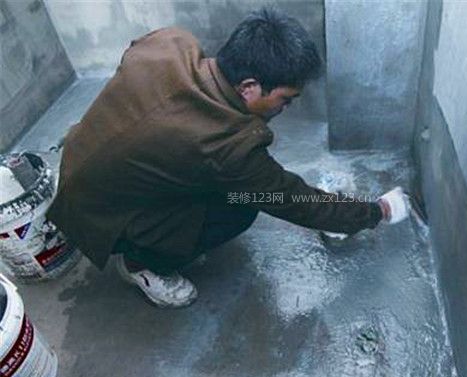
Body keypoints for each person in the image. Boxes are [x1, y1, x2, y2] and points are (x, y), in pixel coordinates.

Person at [47, 8, 409, 308]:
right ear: (249, 87)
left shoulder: (170, 42)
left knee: (230, 188)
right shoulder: (226, 147)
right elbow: (292, 200)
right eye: (285, 99)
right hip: (99, 218)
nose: (287, 107)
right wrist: (376, 211)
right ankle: (141, 263)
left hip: (79, 160)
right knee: (240, 205)